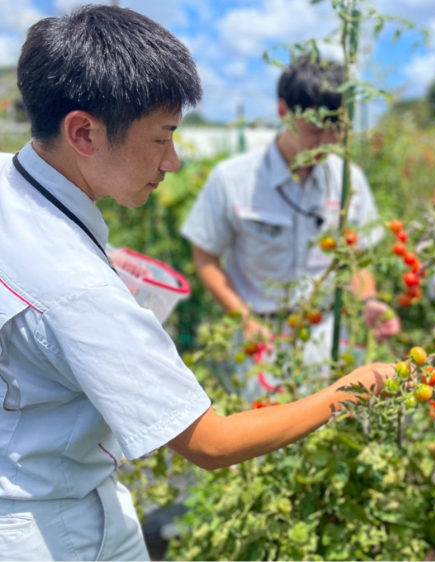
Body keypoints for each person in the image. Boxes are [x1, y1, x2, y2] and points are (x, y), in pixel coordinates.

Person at [0, 7, 392, 561]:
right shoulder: (80, 289)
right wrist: (354, 387)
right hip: (54, 526)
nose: (175, 161)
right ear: (83, 131)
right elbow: (211, 442)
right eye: (163, 138)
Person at [180, 55, 400, 395]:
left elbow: (353, 261)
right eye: (314, 130)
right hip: (261, 340)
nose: (326, 142)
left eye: (335, 129)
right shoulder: (233, 179)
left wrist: (368, 300)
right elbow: (205, 257)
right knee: (265, 438)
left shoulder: (348, 180)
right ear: (283, 111)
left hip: (329, 334)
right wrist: (244, 318)